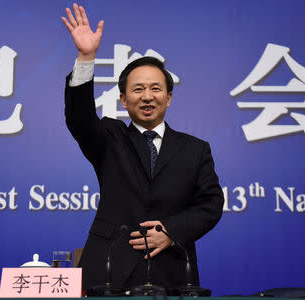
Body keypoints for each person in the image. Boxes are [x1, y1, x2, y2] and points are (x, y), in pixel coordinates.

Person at [62, 3, 224, 292]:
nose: (147, 96)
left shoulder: (195, 149)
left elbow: (211, 206)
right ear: (123, 100)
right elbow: (79, 117)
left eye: (156, 89)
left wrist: (171, 232)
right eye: (137, 90)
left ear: (169, 98)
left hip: (172, 269)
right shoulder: (109, 138)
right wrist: (86, 57)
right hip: (109, 269)